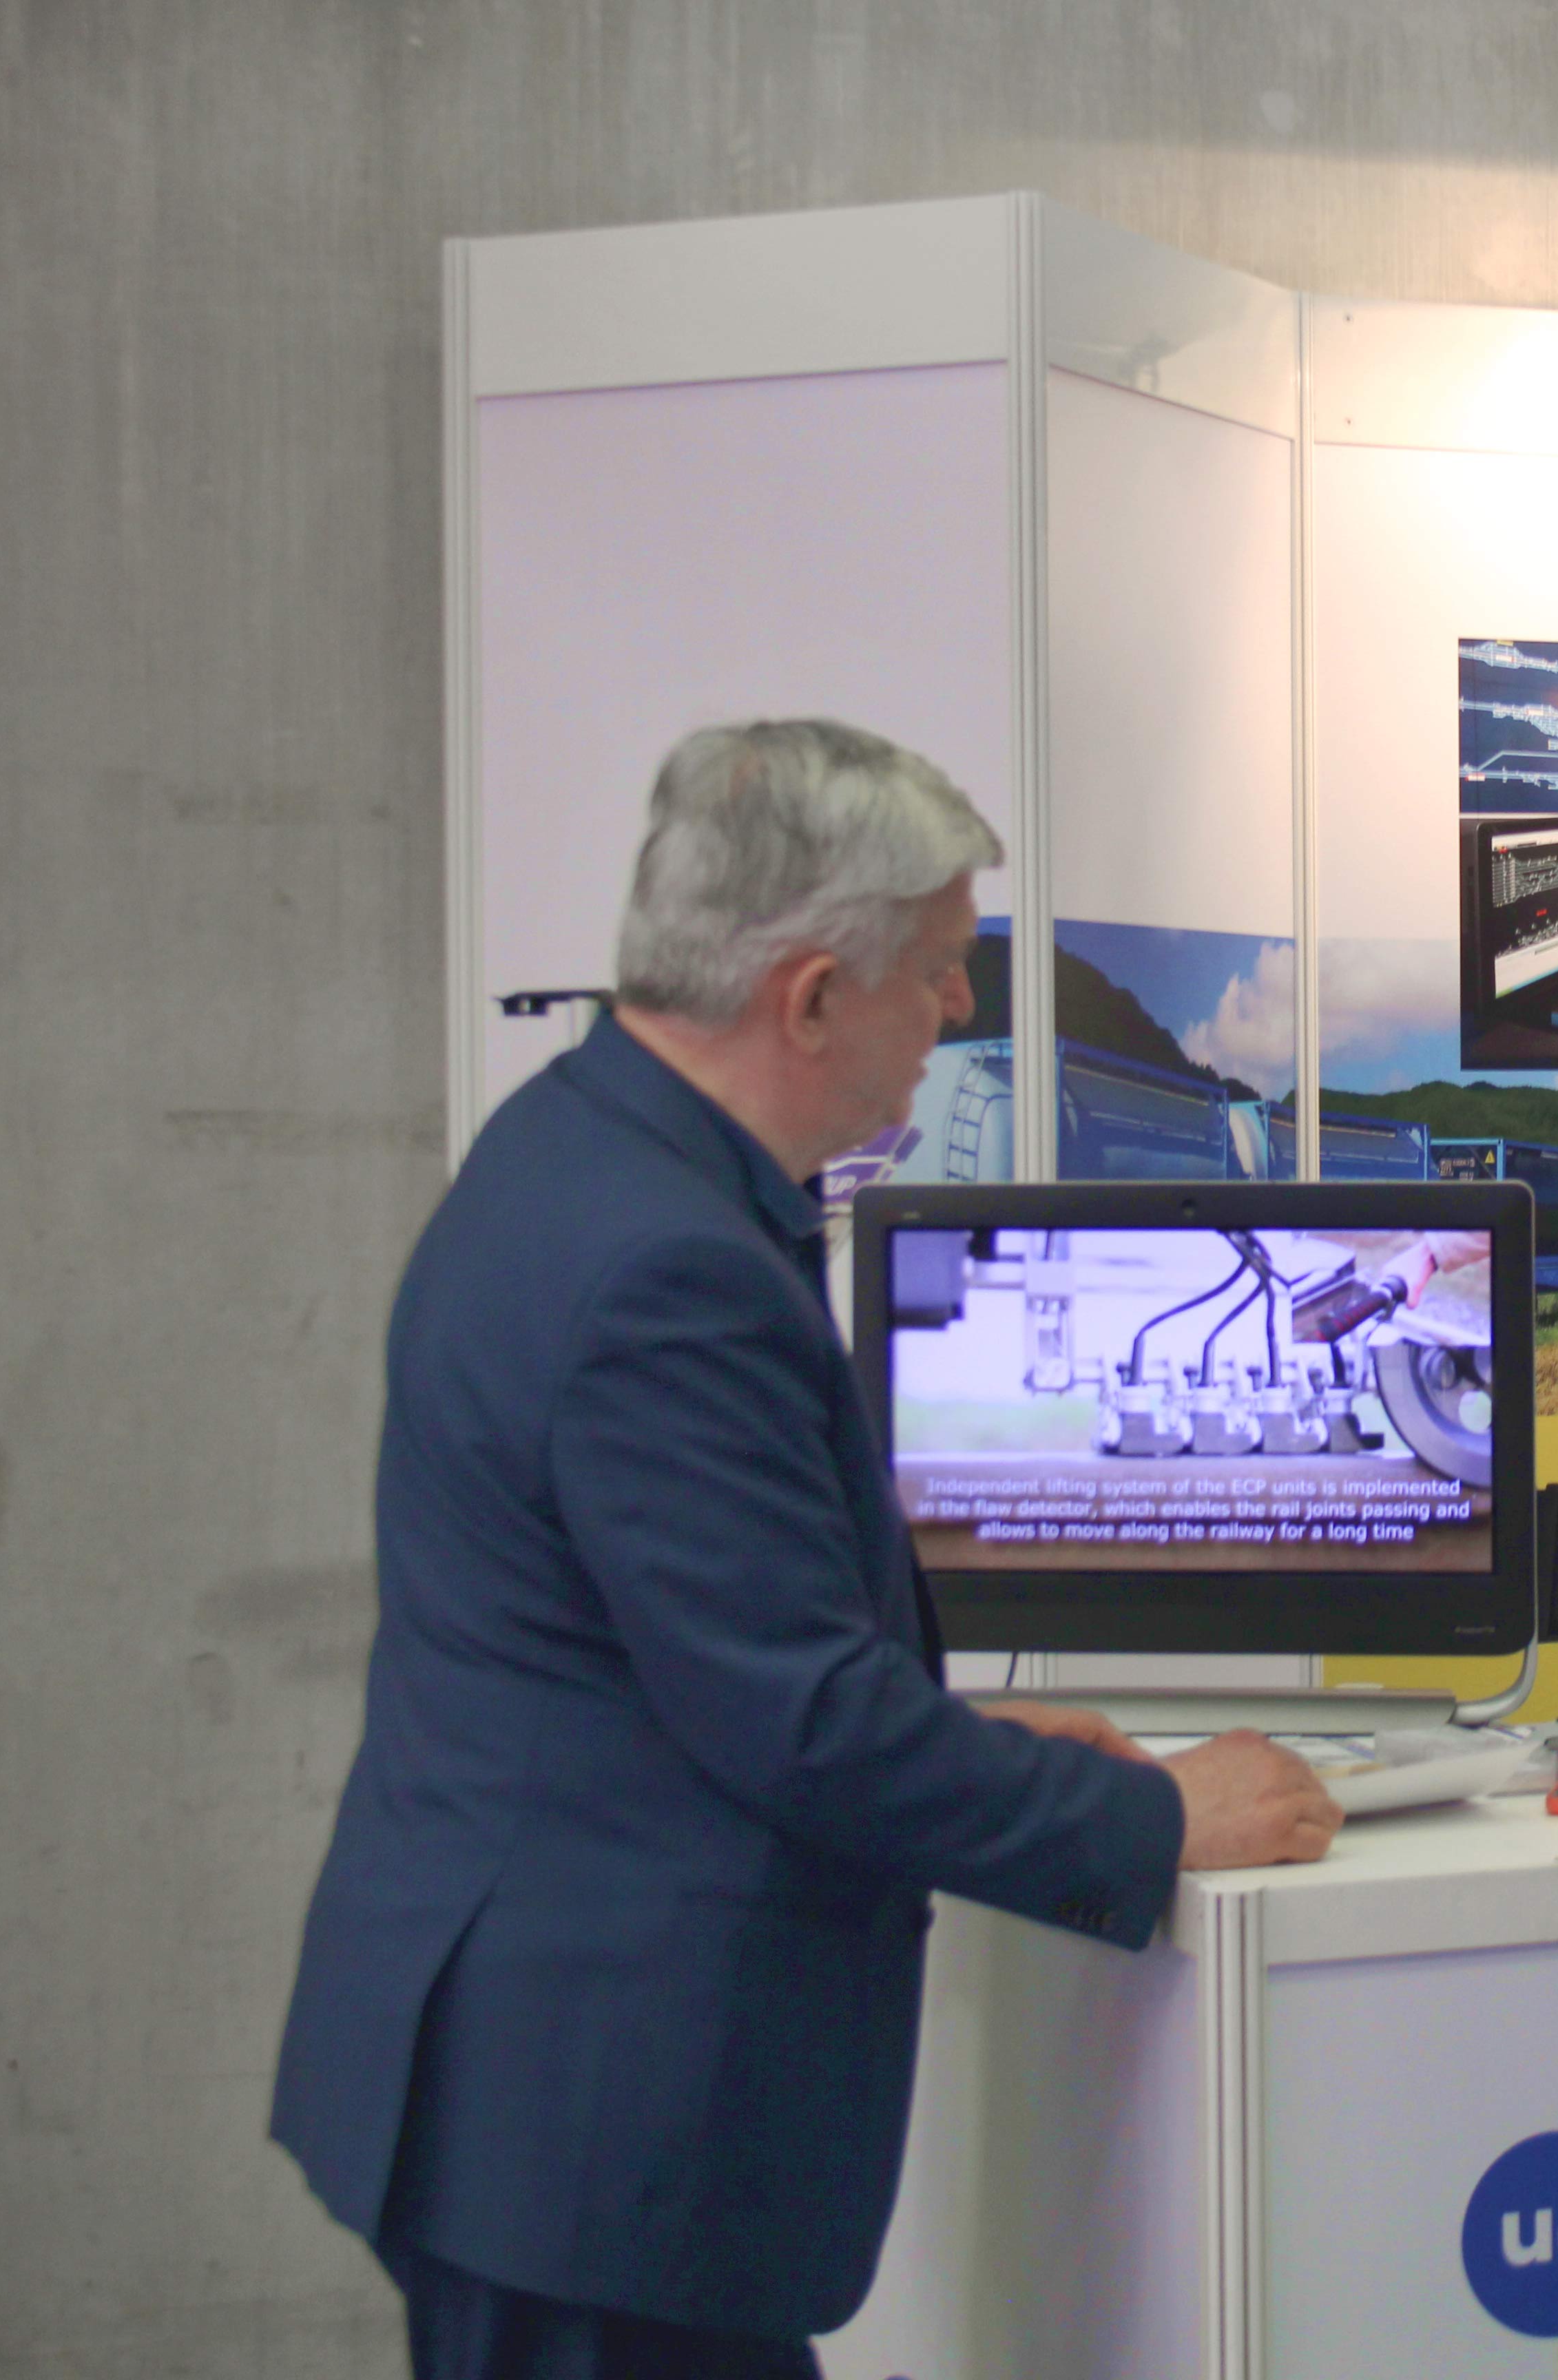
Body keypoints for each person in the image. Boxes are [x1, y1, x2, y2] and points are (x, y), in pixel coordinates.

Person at [270, 720, 1340, 2378]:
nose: (963, 1008)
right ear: (812, 996)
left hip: (542, 2079)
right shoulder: (662, 1264)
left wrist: (973, 1738)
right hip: (589, 2122)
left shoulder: (581, 1152)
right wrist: (1155, 1815)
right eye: (939, 966)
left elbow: (679, 1652)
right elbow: (802, 1721)